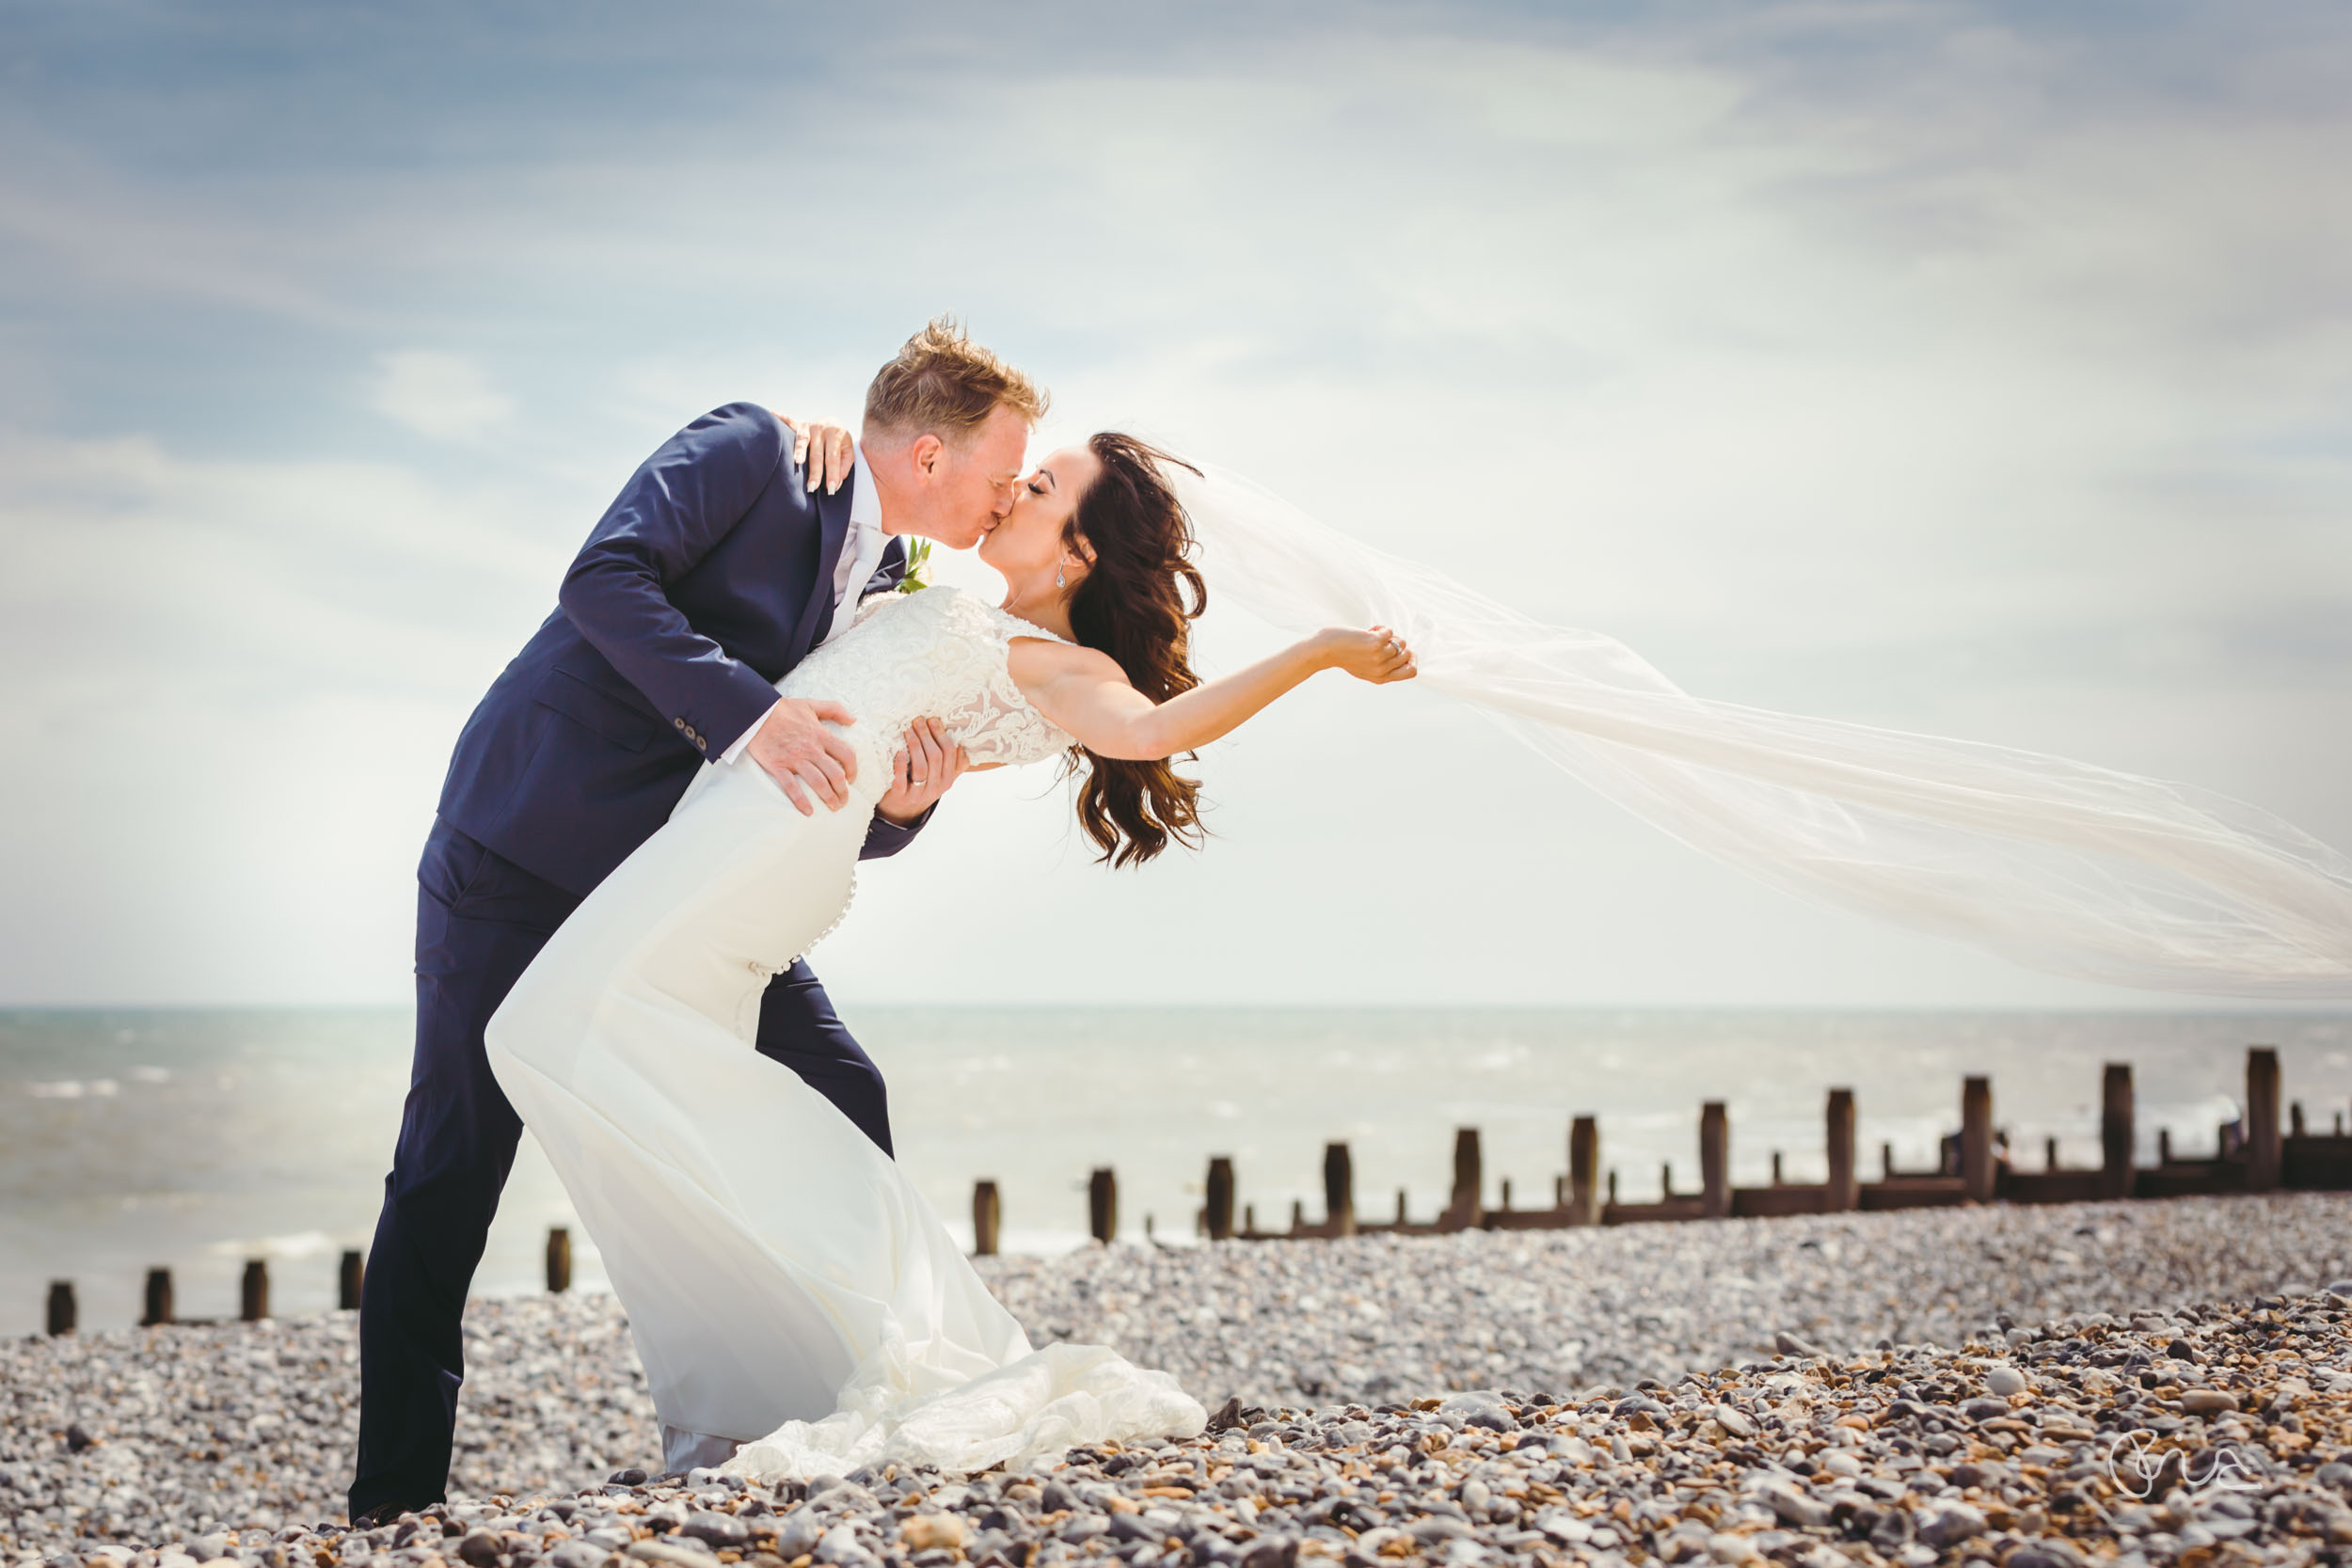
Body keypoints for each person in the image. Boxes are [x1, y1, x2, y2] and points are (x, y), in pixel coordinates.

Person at [484, 434, 1418, 1478]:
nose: (1019, 484)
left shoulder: (1071, 668)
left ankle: (838, 1301)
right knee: (599, 1051)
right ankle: (755, 1372)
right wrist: (829, 438)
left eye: (1047, 485)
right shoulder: (941, 594)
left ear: (1076, 554)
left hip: (772, 831)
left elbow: (1152, 728)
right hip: (744, 803)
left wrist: (1320, 650)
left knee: (547, 1028)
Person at [349, 318, 1044, 1525]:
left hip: (678, 894)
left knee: (844, 1094)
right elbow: (600, 580)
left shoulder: (898, 583)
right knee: (451, 1174)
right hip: (518, 852)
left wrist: (899, 810)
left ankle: (826, 1406)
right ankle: (390, 1500)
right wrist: (744, 714)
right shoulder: (753, 451)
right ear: (929, 456)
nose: (1005, 497)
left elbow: (815, 776)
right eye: (1000, 470)